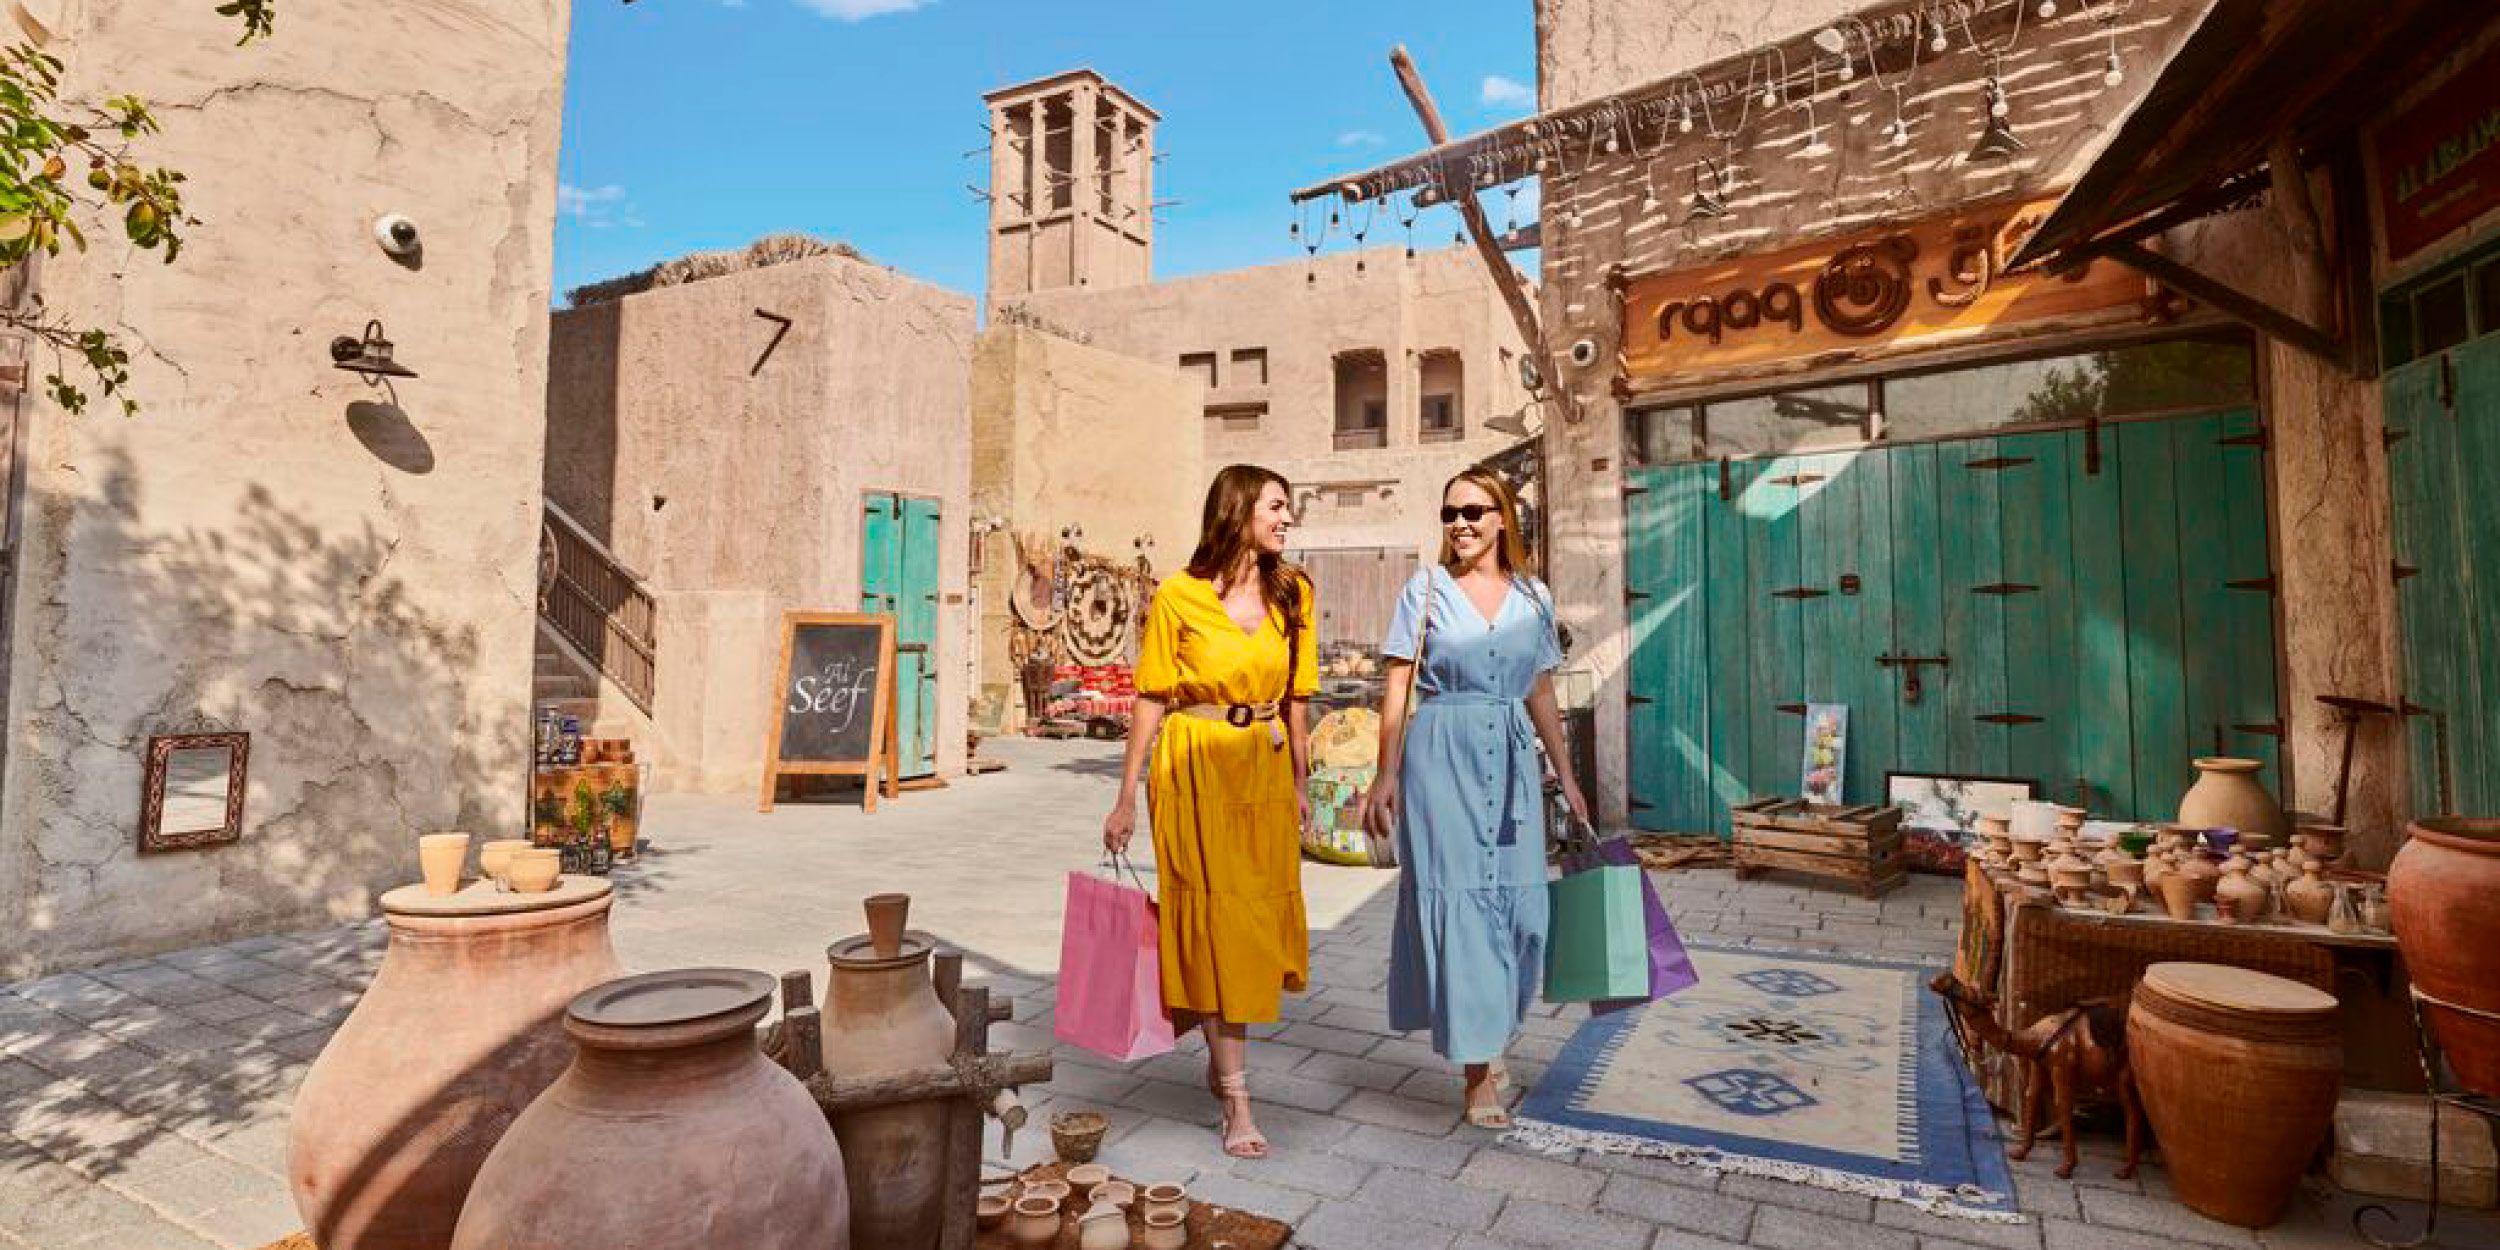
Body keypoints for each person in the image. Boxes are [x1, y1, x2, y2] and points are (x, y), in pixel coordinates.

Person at [1362, 467, 1590, 1128]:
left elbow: (1539, 690)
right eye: (1449, 513)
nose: (1459, 524)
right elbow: (1398, 688)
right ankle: (1476, 1071)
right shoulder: (1426, 590)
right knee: (1462, 909)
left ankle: (1491, 1031)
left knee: (1525, 916)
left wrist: (1567, 776)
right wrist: (1385, 774)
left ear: (1501, 518)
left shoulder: (1534, 596)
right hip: (1441, 757)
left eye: (1472, 511)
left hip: (1513, 758)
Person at [1102, 464, 1316, 1160]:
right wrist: (1126, 795)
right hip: (1193, 769)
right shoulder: (1178, 595)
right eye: (1276, 506)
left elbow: (1299, 699)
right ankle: (1237, 1099)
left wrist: (1303, 783)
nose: (1287, 518)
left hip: (1263, 767)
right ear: (1238, 509)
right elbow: (1151, 696)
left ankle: (1216, 1046)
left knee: (1250, 927)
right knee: (1217, 925)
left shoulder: (1295, 593)